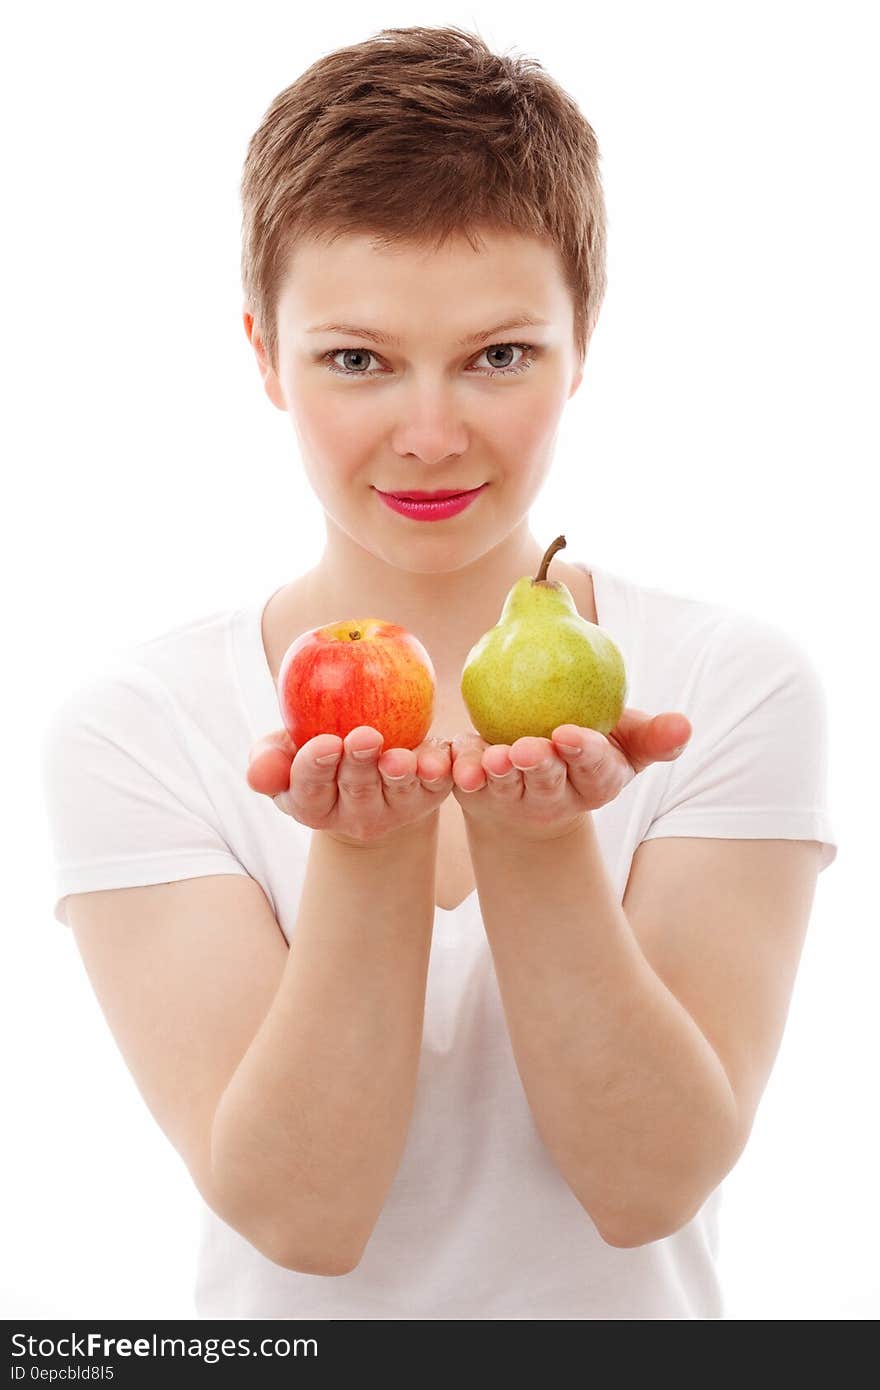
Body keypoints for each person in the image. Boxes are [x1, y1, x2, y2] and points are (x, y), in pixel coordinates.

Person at [40, 24, 837, 1320]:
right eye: (357, 359)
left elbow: (650, 1185)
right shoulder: (137, 724)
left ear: (583, 344)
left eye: (498, 355)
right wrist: (364, 852)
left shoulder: (729, 683)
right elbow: (304, 1216)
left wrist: (538, 847)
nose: (429, 433)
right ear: (262, 355)